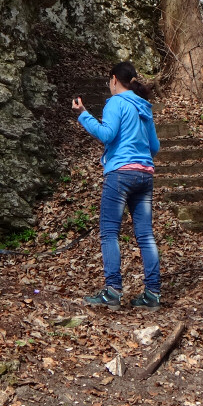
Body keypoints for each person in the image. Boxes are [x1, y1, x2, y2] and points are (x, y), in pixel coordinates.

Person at [72, 61, 162, 310]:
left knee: (109, 232)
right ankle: (152, 294)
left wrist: (83, 115)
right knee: (145, 235)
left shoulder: (116, 103)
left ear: (113, 80)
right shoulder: (144, 107)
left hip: (120, 174)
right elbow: (154, 147)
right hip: (145, 175)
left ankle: (112, 291)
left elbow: (107, 134)